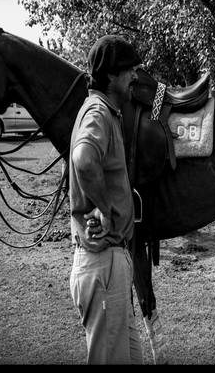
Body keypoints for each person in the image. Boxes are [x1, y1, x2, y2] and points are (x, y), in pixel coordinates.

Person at [68, 35, 143, 364]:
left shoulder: (103, 111)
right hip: (103, 264)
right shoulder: (98, 112)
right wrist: (105, 208)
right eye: (130, 70)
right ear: (111, 75)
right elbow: (84, 160)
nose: (135, 77)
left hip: (111, 264)